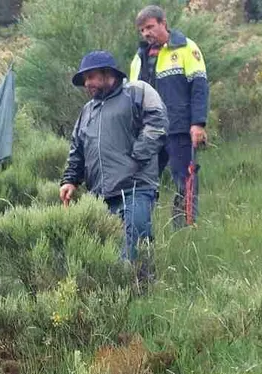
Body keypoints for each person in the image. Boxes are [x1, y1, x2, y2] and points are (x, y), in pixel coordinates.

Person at [60, 51, 168, 276]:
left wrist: (136, 156)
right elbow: (77, 149)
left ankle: (142, 296)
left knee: (135, 248)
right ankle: (119, 298)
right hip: (100, 196)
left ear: (108, 74)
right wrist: (70, 180)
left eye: (91, 77)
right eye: (85, 80)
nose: (87, 84)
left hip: (135, 188)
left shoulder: (136, 92)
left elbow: (158, 123)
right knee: (109, 253)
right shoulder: (87, 111)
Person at [130, 5, 209, 225]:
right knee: (143, 181)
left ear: (163, 23)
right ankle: (143, 227)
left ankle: (184, 229)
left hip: (179, 129)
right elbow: (133, 98)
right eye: (142, 30)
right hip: (148, 132)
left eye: (150, 27)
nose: (146, 33)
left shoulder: (186, 48)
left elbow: (199, 88)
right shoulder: (139, 58)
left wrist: (198, 123)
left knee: (185, 181)